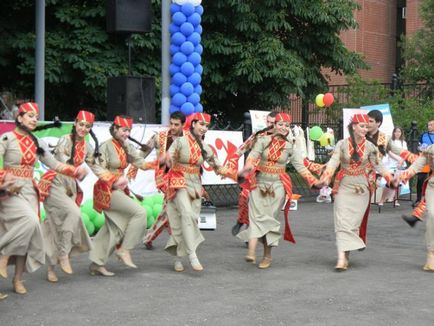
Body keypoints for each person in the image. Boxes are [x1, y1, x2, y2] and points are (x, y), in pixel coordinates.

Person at [0, 102, 87, 295]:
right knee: (28, 223)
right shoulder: (7, 138)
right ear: (19, 117)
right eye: (29, 115)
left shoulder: (37, 143)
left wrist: (74, 171)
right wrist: (3, 179)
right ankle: (4, 255)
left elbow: (54, 163)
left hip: (29, 189)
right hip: (9, 191)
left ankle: (17, 279)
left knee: (28, 232)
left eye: (35, 116)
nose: (33, 119)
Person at [237, 113, 320, 269]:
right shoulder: (262, 140)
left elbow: (300, 166)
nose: (283, 127)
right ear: (274, 125)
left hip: (277, 186)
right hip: (259, 183)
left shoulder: (290, 146)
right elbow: (253, 155)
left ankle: (267, 255)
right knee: (255, 216)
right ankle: (251, 251)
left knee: (269, 220)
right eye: (280, 124)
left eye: (287, 125)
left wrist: (314, 181)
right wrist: (247, 168)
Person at [39, 110, 108, 283]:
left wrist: (112, 178)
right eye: (81, 125)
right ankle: (62, 255)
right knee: (69, 217)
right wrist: (77, 171)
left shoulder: (87, 146)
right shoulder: (64, 140)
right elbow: (61, 163)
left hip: (70, 187)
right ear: (75, 123)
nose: (83, 129)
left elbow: (96, 167)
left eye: (87, 126)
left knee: (57, 226)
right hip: (55, 184)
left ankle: (51, 267)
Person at [320, 113, 393, 271]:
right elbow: (333, 162)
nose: (365, 129)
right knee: (341, 221)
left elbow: (378, 166)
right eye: (362, 126)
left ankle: (346, 256)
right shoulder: (342, 144)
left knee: (352, 224)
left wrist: (389, 178)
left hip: (361, 187)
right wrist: (326, 177)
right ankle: (341, 258)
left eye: (367, 126)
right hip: (344, 185)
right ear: (353, 126)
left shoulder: (370, 146)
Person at [164, 112, 236, 272]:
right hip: (178, 182)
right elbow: (169, 157)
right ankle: (192, 255)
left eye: (206, 126)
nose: (204, 128)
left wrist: (235, 174)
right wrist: (168, 158)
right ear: (193, 124)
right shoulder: (180, 142)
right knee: (187, 215)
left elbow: (218, 166)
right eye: (201, 124)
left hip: (195, 185)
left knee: (188, 221)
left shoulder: (205, 148)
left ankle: (177, 258)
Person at [88, 115, 157, 276]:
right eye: (124, 130)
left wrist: (160, 162)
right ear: (115, 129)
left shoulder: (126, 146)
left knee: (114, 228)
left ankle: (96, 263)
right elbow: (99, 169)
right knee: (140, 213)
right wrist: (114, 181)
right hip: (107, 189)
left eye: (129, 131)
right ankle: (124, 250)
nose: (126, 134)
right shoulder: (105, 146)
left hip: (119, 189)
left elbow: (141, 163)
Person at [128, 111, 186, 250]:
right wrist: (134, 167)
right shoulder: (159, 137)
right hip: (163, 177)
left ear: (183, 125)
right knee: (173, 207)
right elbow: (142, 153)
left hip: (181, 178)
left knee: (170, 208)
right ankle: (178, 240)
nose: (173, 127)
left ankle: (150, 236)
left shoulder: (187, 139)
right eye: (171, 123)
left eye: (176, 124)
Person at [231, 111, 277, 236]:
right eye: (268, 122)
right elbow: (243, 148)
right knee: (244, 197)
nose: (269, 125)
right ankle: (242, 221)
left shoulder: (281, 140)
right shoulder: (259, 135)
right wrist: (232, 160)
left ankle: (250, 230)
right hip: (252, 174)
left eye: (272, 123)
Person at [396, 143, 434, 271]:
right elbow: (417, 164)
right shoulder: (431, 149)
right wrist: (402, 176)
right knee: (432, 215)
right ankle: (431, 254)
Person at [378, 126, 407, 206]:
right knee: (389, 182)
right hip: (391, 163)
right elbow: (389, 153)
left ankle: (396, 200)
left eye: (399, 132)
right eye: (396, 131)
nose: (397, 133)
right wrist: (397, 159)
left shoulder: (403, 143)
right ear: (393, 132)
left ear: (401, 133)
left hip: (401, 164)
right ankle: (382, 200)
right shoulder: (390, 142)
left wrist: (401, 161)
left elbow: (405, 153)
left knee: (399, 182)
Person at [414, 120, 434, 205]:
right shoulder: (423, 135)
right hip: (425, 160)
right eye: (428, 125)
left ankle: (429, 201)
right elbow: (419, 146)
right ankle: (418, 199)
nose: (429, 126)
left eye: (431, 125)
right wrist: (420, 148)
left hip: (433, 161)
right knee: (420, 179)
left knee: (431, 180)